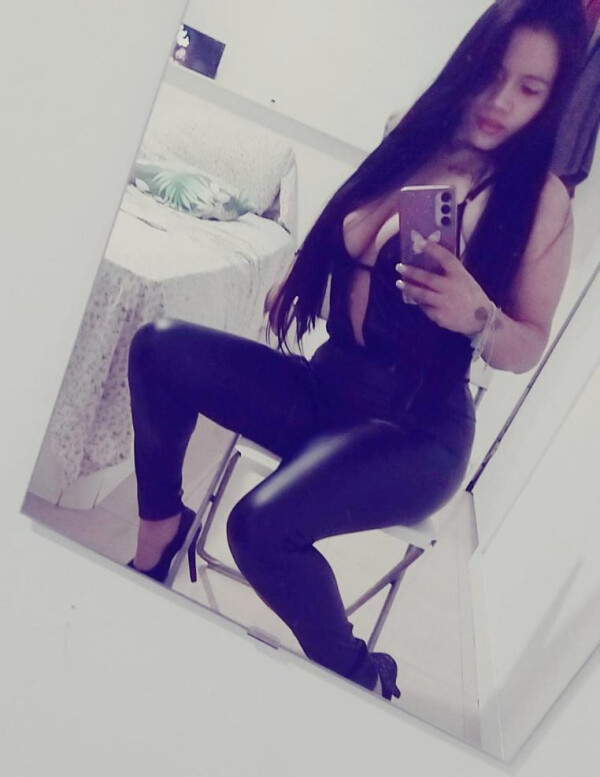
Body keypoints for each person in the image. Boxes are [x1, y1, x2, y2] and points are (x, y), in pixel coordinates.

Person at [126, 0, 587, 700]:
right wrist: (305, 268)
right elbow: (351, 229)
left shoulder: (542, 202)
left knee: (260, 527)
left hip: (415, 430)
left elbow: (526, 345)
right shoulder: (412, 135)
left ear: (551, 101)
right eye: (494, 74)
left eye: (529, 88)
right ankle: (161, 531)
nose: (501, 102)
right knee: (159, 348)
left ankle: (357, 672)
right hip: (328, 385)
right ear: (469, 62)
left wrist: (479, 315)